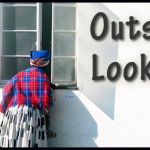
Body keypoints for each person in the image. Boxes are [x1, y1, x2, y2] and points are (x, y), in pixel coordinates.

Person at [0, 50, 55, 147]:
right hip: (32, 117)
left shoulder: (18, 75)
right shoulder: (43, 77)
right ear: (46, 63)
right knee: (29, 141)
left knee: (13, 142)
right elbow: (47, 102)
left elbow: (6, 93)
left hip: (13, 116)